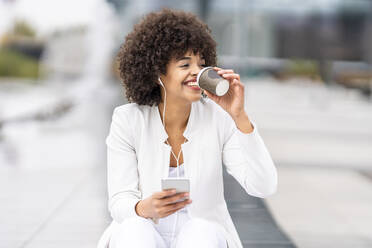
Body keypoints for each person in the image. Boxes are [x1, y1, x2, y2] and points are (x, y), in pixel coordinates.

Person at [97, 8, 278, 248]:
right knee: (133, 227)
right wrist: (143, 207)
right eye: (185, 64)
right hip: (146, 233)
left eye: (201, 64)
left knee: (200, 230)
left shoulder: (218, 118)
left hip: (201, 239)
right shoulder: (128, 119)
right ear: (157, 71)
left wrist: (239, 116)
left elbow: (263, 185)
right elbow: (119, 200)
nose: (196, 72)